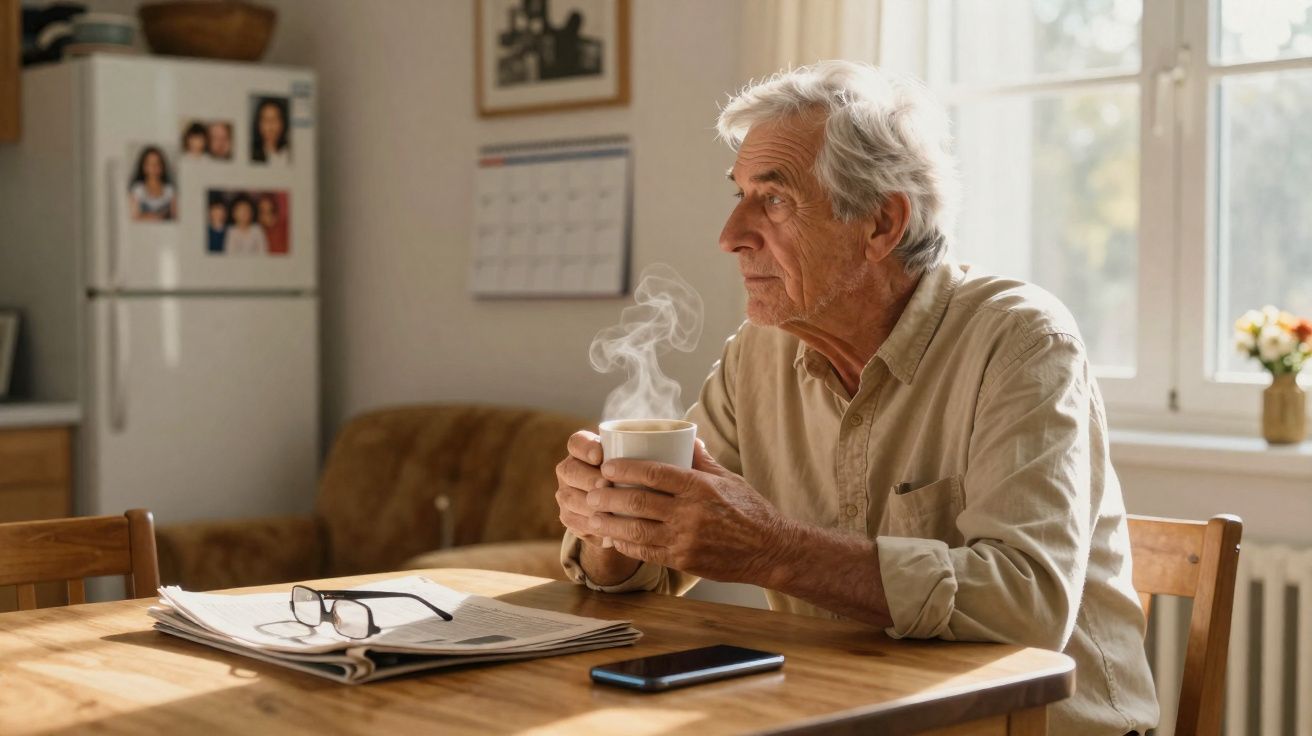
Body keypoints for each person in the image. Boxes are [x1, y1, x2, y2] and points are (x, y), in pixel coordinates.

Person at [554, 61, 1157, 736]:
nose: (731, 236)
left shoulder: (1022, 341)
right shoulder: (758, 354)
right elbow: (645, 571)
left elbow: (1026, 607)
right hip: (854, 714)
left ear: (881, 223)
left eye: (774, 200)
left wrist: (770, 548)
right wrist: (615, 523)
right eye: (740, 195)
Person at [127, 146, 175, 222]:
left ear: (162, 167)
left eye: (157, 163)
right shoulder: (137, 190)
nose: (153, 167)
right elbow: (134, 217)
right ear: (143, 167)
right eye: (149, 164)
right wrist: (158, 217)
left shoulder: (170, 191)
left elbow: (175, 217)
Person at [251, 98, 290, 166]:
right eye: (266, 120)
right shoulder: (252, 156)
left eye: (274, 119)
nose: (270, 126)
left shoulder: (289, 153)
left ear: (283, 123)